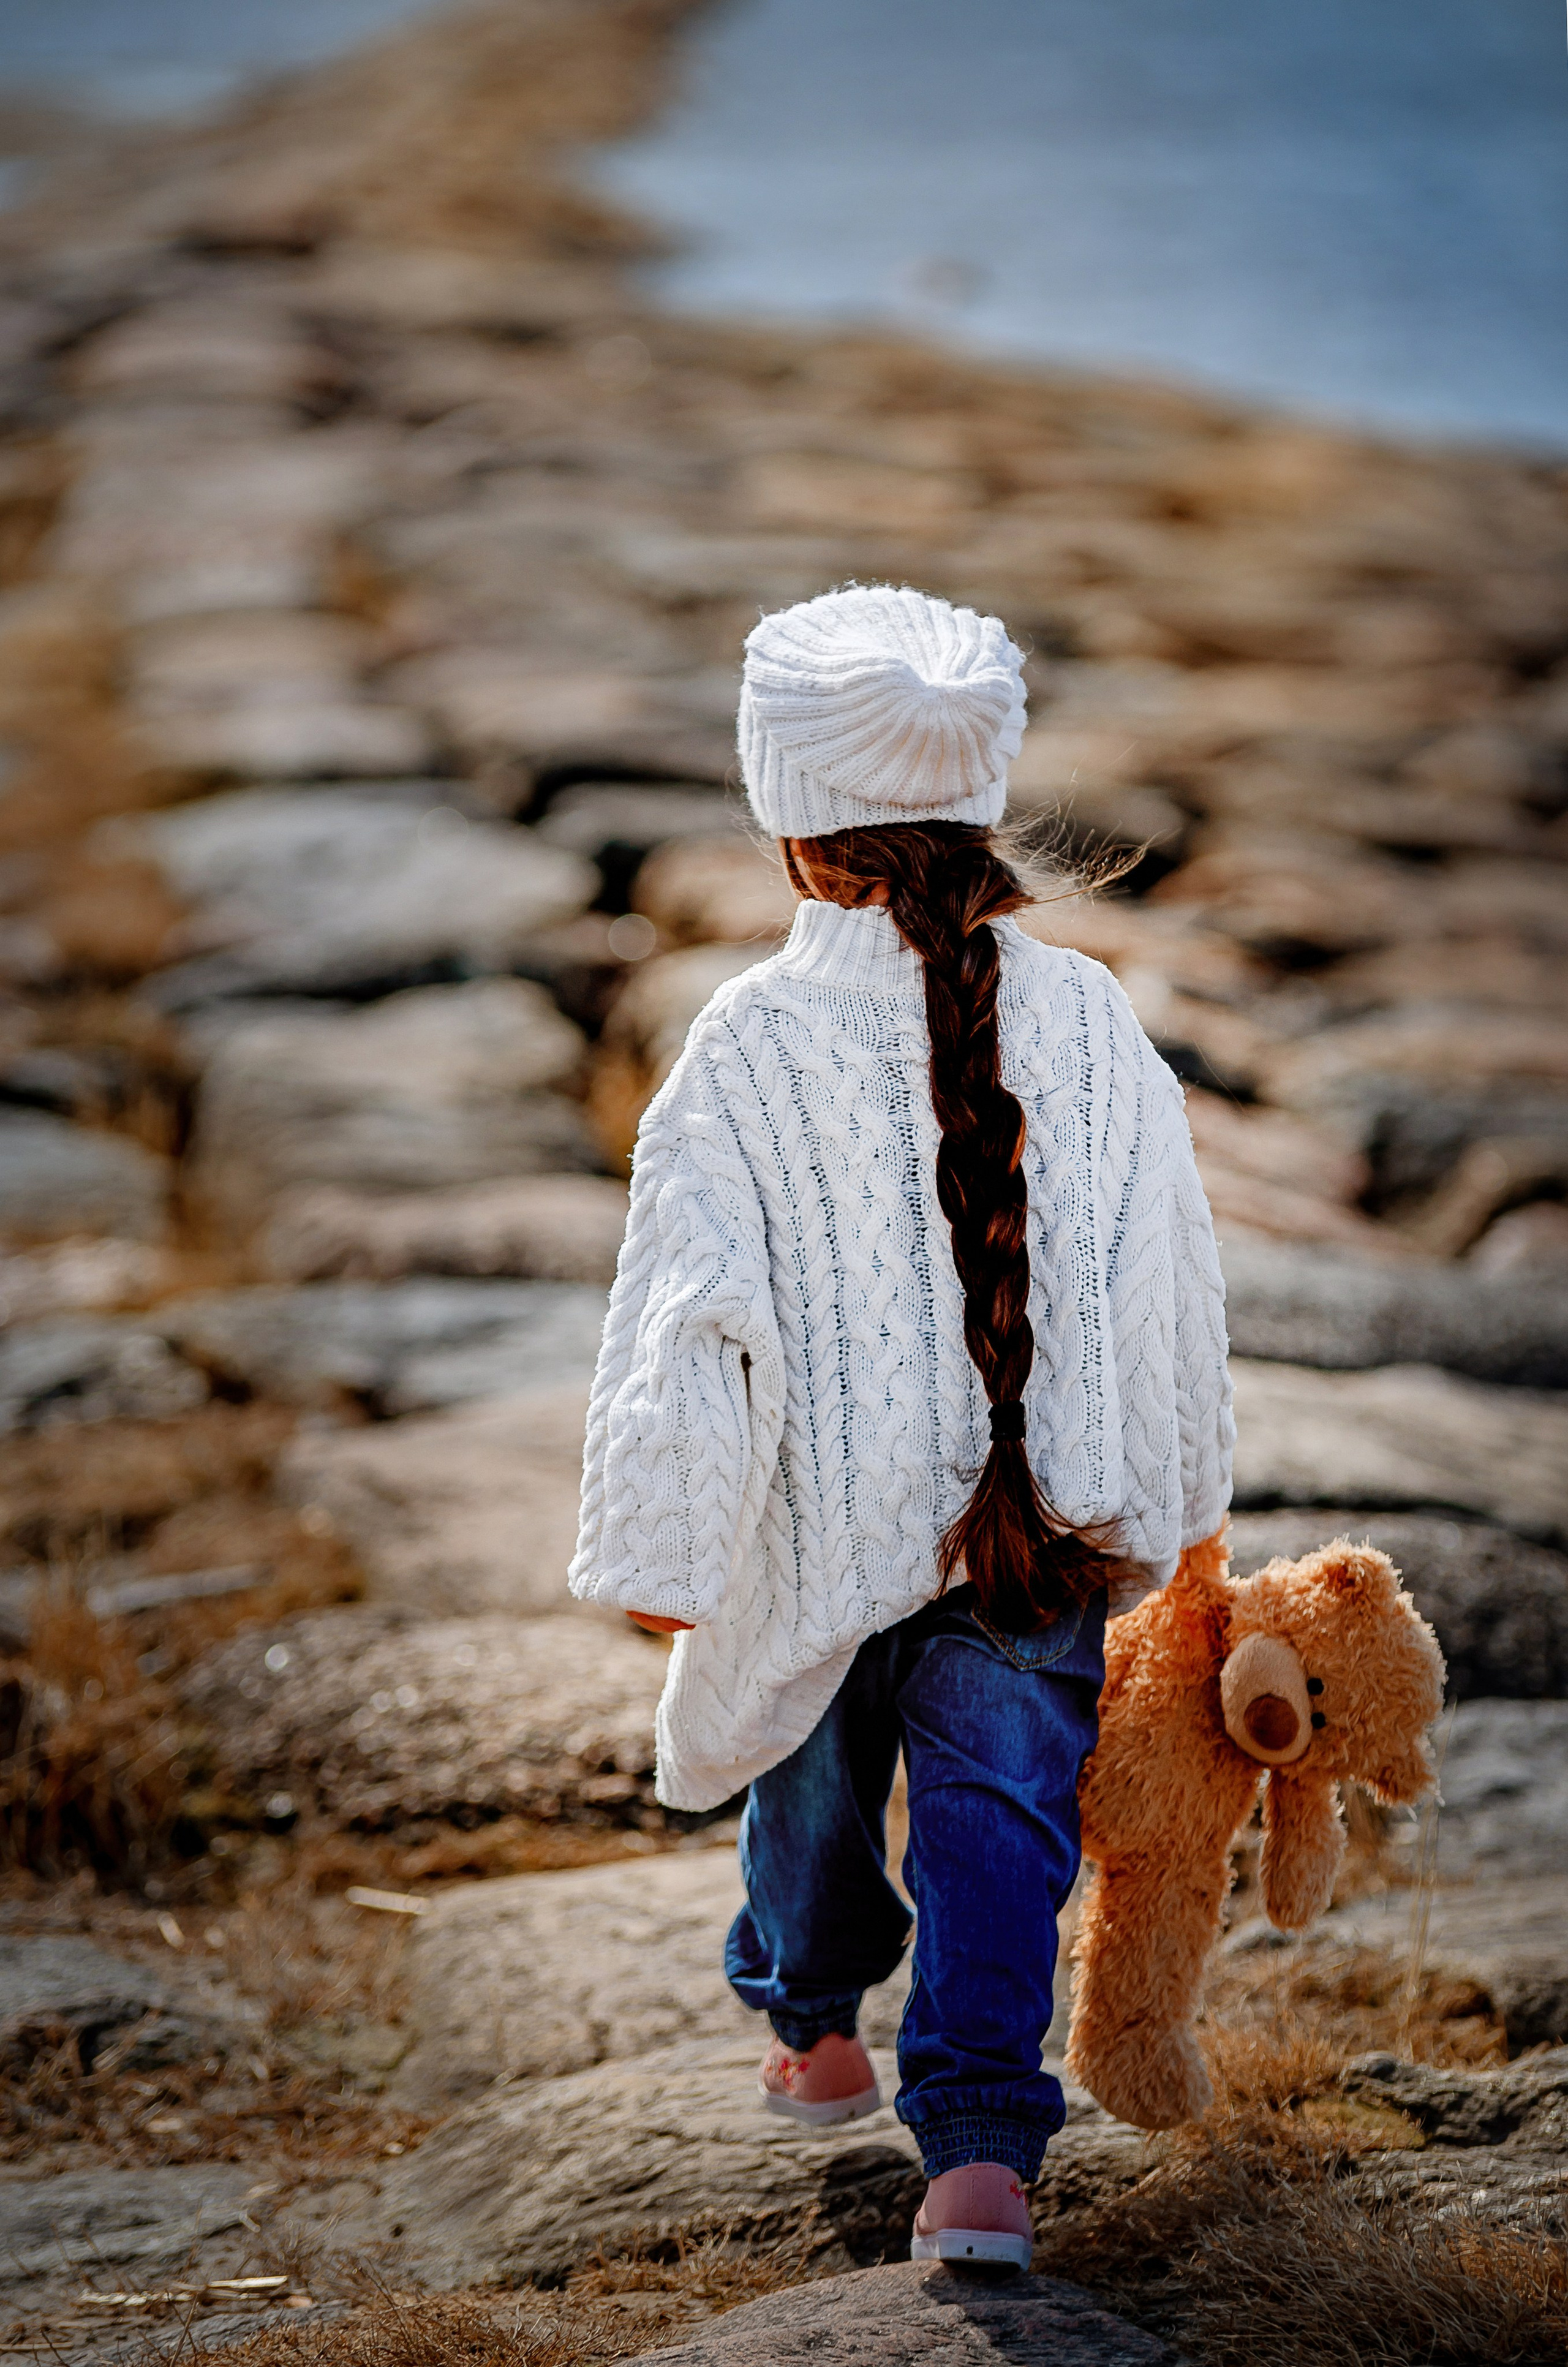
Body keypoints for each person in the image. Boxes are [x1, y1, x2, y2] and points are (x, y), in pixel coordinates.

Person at [570, 584, 1232, 2270]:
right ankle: (984, 2165)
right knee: (1002, 1830)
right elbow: (1171, 1283)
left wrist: (670, 1556)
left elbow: (684, 1326)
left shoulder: (746, 1047)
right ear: (982, 802)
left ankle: (812, 2024)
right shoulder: (1090, 1018)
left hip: (813, 1529)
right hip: (1048, 1525)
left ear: (789, 826)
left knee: (804, 1791)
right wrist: (1187, 1505)